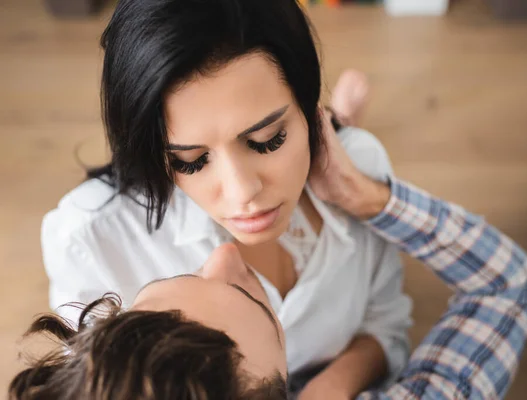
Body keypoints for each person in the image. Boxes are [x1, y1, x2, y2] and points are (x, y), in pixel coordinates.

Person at [10, 115, 527, 399]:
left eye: (268, 137)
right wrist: (377, 200)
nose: (223, 253)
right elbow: (506, 286)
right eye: (250, 296)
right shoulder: (85, 230)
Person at [41, 0, 411, 396]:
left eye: (269, 140)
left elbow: (387, 324)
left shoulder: (361, 167)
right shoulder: (87, 239)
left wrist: (330, 388)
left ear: (305, 106)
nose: (242, 193)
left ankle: (337, 117)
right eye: (191, 160)